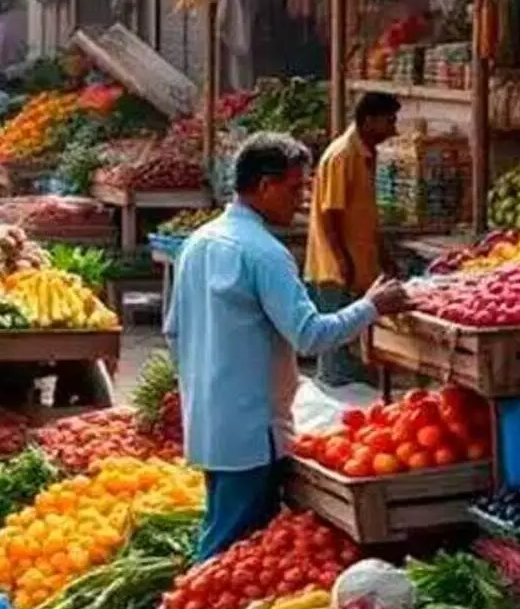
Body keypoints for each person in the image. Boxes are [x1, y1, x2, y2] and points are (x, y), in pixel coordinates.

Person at [165, 132, 411, 560]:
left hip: (209, 421)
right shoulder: (264, 253)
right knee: (227, 552)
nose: (301, 200)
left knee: (229, 538)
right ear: (264, 186)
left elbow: (173, 332)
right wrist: (370, 307)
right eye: (295, 187)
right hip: (251, 433)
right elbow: (311, 336)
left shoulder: (198, 243)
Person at [303, 92, 402, 386]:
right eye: (389, 121)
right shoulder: (343, 155)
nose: (393, 129)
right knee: (337, 353)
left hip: (359, 267)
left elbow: (365, 216)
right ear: (369, 120)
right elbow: (331, 212)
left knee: (357, 348)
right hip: (336, 271)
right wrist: (342, 260)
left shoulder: (366, 155)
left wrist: (384, 257)